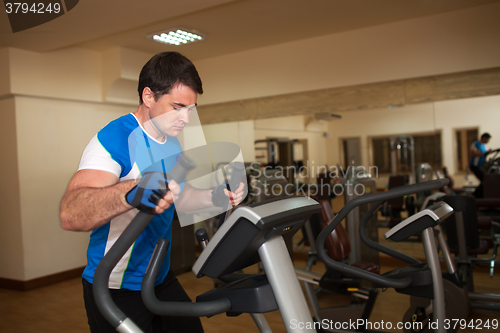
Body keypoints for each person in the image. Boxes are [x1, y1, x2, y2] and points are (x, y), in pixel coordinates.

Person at [60, 52, 244, 333]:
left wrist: (215, 197)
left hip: (158, 276)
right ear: (149, 97)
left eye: (191, 109)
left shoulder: (170, 141)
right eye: (178, 107)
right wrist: (131, 191)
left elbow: (179, 195)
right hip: (115, 284)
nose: (185, 118)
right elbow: (71, 213)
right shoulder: (115, 138)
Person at [469, 132, 492, 198]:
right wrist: (483, 154)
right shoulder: (476, 144)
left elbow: (485, 152)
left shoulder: (483, 145)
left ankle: (478, 195)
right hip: (474, 166)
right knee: (484, 180)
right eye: (488, 139)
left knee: (485, 180)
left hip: (480, 166)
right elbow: (473, 154)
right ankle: (475, 195)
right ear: (484, 138)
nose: (488, 141)